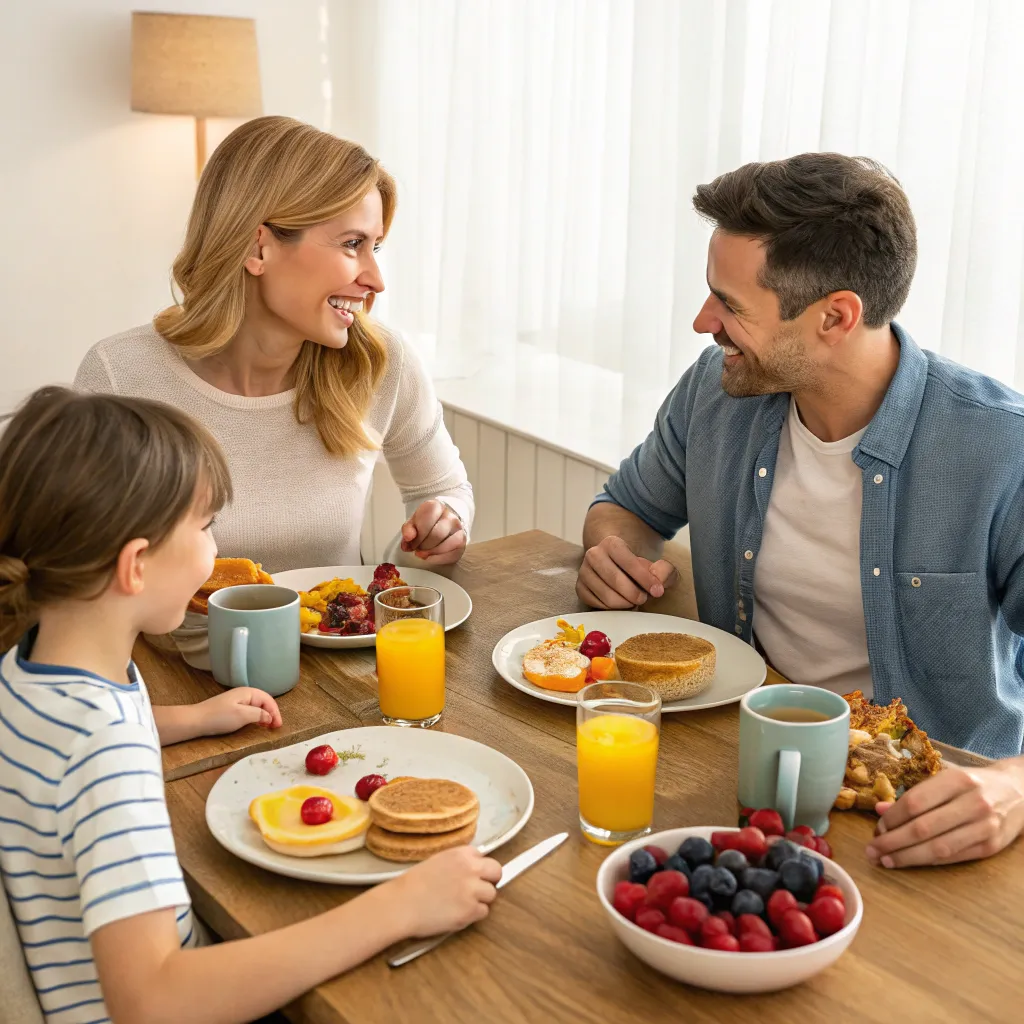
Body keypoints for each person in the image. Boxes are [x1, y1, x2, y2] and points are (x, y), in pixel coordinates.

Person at [577, 153, 1024, 868]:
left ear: (836, 317)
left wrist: (1016, 786)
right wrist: (613, 554)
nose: (702, 322)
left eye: (729, 304)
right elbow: (625, 508)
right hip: (744, 775)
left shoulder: (1002, 447)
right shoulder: (717, 390)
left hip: (934, 821)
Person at [0, 388, 501, 1024]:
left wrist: (187, 720)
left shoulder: (37, 669)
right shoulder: (104, 755)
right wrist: (399, 907)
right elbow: (154, 1000)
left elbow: (68, 751)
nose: (215, 549)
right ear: (134, 567)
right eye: (205, 527)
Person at [74, 115, 471, 575]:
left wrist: (439, 528)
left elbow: (445, 490)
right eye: (351, 244)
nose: (376, 281)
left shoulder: (380, 361)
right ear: (257, 247)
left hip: (333, 647)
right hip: (166, 650)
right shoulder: (120, 376)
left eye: (375, 247)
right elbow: (82, 574)